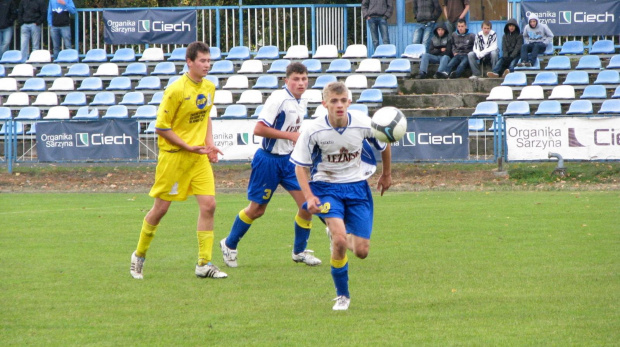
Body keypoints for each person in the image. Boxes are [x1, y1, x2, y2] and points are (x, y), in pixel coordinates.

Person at [291, 82, 392, 311]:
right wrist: (309, 196)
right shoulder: (313, 129)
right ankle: (342, 296)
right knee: (339, 241)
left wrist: (386, 175)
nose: (339, 105)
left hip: (357, 188)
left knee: (361, 251)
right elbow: (300, 167)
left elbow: (384, 145)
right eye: (334, 101)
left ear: (350, 101)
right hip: (326, 188)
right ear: (324, 103)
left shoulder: (363, 123)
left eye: (343, 100)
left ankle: (335, 233)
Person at [130, 41, 227, 280]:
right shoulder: (175, 90)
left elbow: (205, 118)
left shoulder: (209, 87)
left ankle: (204, 264)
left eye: (208, 60)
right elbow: (162, 128)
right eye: (202, 61)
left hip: (198, 159)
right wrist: (187, 146)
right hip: (174, 159)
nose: (207, 65)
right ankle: (139, 256)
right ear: (189, 62)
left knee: (209, 205)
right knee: (160, 210)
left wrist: (209, 143)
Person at [219, 62, 322, 268]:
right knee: (257, 210)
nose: (301, 83)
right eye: (296, 79)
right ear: (287, 81)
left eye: (304, 79)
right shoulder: (278, 99)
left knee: (307, 206)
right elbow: (258, 129)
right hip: (268, 161)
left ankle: (299, 251)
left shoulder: (302, 100)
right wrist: (290, 136)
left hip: (289, 161)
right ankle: (229, 244)